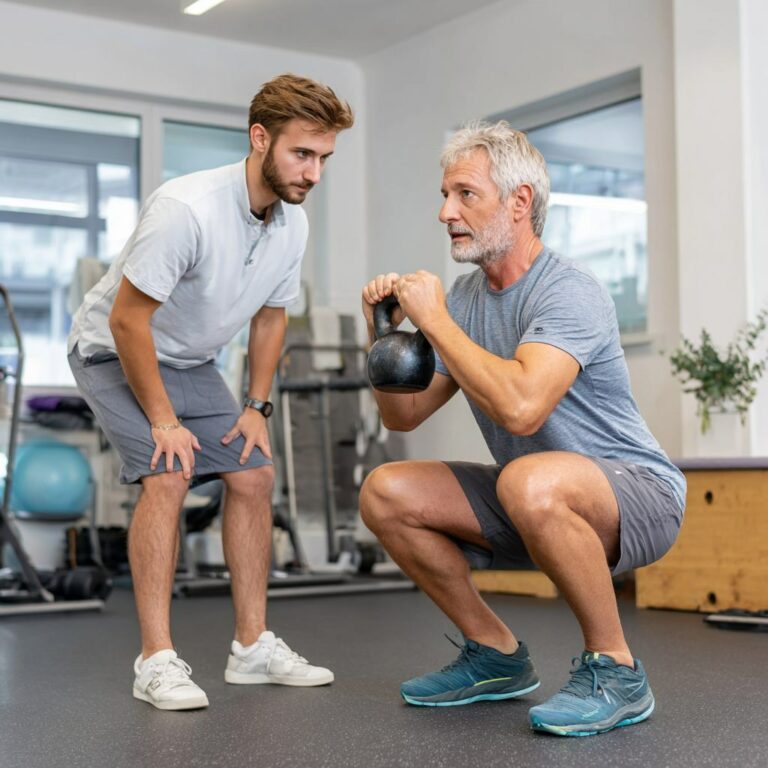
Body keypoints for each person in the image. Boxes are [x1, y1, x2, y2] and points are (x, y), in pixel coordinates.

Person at [359, 120, 685, 736]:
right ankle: (494, 654)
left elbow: (522, 409)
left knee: (528, 480)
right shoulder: (465, 300)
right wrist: (383, 333)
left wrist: (435, 322)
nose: (444, 212)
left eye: (464, 195)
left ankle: (616, 668)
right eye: (444, 195)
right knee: (386, 490)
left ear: (519, 202)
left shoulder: (570, 291)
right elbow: (401, 415)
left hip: (639, 493)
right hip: (530, 491)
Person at [68, 73, 354, 711]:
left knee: (254, 475)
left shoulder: (292, 226)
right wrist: (165, 422)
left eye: (324, 158)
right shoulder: (186, 208)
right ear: (260, 139)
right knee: (169, 473)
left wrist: (256, 406)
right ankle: (156, 661)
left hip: (191, 360)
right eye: (302, 154)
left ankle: (251, 650)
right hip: (112, 349)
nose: (314, 173)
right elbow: (126, 319)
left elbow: (272, 316)